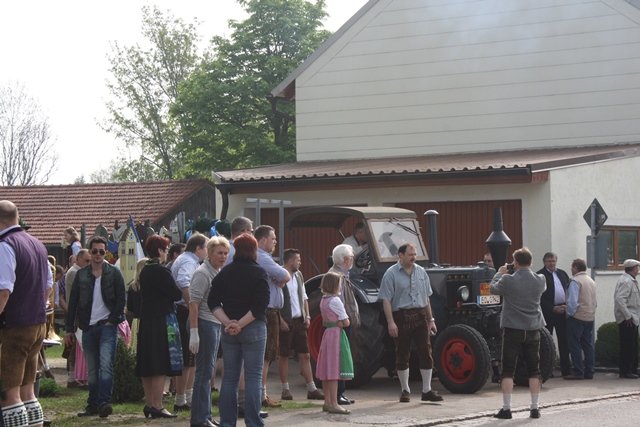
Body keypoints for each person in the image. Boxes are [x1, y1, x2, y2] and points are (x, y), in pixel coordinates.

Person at [208, 233, 270, 427]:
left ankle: (227, 422)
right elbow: (260, 306)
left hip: (229, 331)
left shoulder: (225, 272)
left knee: (229, 378)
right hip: (253, 327)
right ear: (254, 250)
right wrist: (240, 324)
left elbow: (212, 301)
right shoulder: (259, 273)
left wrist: (228, 323)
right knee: (253, 377)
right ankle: (253, 422)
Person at [0, 200, 51, 427]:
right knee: (28, 390)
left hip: (15, 325)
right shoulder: (38, 244)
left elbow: (3, 290)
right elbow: (48, 286)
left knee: (10, 394)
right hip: (37, 324)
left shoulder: (5, 245)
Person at [64, 235, 126, 418]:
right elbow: (73, 301)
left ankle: (104, 403)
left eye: (101, 251)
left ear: (105, 252)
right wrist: (69, 328)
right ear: (89, 253)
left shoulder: (114, 272)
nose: (98, 255)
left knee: (106, 365)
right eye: (94, 251)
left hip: (107, 324)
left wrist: (112, 320)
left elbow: (121, 298)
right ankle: (92, 404)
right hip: (88, 326)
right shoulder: (81, 274)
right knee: (92, 369)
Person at [378, 242, 444, 403]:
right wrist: (391, 322)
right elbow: (386, 300)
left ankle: (427, 390)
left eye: (415, 254)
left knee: (426, 352)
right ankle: (405, 390)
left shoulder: (421, 272)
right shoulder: (390, 274)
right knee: (402, 353)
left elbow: (426, 298)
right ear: (400, 255)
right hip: (401, 316)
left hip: (420, 315)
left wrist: (431, 320)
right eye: (410, 254)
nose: (414, 257)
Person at [490, 247, 546, 420]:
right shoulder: (541, 279)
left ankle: (507, 409)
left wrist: (499, 273)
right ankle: (535, 408)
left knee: (507, 369)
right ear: (530, 262)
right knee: (534, 370)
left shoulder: (507, 279)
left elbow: (493, 289)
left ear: (515, 262)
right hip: (533, 328)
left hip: (513, 328)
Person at [136, 235, 182, 419]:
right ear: (160, 250)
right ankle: (158, 404)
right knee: (160, 362)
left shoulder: (145, 270)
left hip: (147, 320)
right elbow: (176, 293)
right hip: (161, 320)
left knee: (147, 362)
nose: (167, 252)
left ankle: (149, 403)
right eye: (166, 248)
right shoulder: (161, 271)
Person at [189, 236, 230, 427]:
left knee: (208, 372)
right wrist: (194, 332)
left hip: (214, 323)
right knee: (204, 373)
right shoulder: (203, 273)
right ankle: (199, 418)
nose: (223, 256)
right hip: (204, 323)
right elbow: (194, 303)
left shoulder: (217, 271)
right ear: (210, 252)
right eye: (219, 253)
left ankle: (204, 415)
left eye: (225, 253)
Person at [277, 249, 324, 401]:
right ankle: (285, 389)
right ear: (290, 260)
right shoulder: (279, 275)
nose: (300, 262)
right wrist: (280, 320)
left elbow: (304, 297)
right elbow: (275, 300)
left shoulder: (299, 275)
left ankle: (311, 388)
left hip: (299, 320)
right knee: (284, 355)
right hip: (286, 320)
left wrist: (307, 315)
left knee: (305, 354)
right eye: (298, 259)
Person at [254, 225, 291, 408]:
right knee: (266, 355)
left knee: (267, 355)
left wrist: (281, 279)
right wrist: (281, 278)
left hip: (270, 311)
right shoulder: (262, 257)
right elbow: (285, 275)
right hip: (268, 311)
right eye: (273, 238)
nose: (275, 242)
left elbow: (283, 277)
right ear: (262, 240)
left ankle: (262, 393)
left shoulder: (263, 257)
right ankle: (262, 395)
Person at [171, 233, 209, 411]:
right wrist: (191, 305)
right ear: (198, 248)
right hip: (184, 310)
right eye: (206, 248)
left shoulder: (186, 259)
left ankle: (185, 396)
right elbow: (183, 282)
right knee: (188, 357)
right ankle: (182, 398)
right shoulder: (189, 261)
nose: (207, 252)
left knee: (188, 357)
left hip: (182, 309)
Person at [315, 272, 353, 415]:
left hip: (327, 333)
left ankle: (327, 401)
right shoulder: (336, 301)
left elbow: (325, 320)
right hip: (336, 335)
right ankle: (334, 403)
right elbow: (346, 321)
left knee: (327, 368)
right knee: (334, 368)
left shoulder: (323, 300)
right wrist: (341, 322)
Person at [327, 244, 358, 406]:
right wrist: (344, 320)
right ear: (345, 260)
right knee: (339, 359)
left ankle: (340, 393)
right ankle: (337, 395)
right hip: (340, 325)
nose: (352, 260)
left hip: (344, 322)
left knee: (343, 358)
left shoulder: (344, 275)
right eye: (351, 257)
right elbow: (336, 301)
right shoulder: (335, 276)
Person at [537, 251, 571, 377]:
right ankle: (547, 370)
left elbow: (568, 290)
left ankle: (566, 369)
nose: (552, 263)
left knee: (564, 341)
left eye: (553, 261)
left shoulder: (562, 274)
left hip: (562, 311)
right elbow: (539, 297)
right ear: (544, 262)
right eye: (549, 261)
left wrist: (567, 305)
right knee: (547, 343)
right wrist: (552, 308)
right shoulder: (540, 275)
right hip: (548, 313)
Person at [564, 258, 597, 380]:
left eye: (572, 267)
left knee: (575, 345)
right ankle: (590, 371)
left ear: (576, 268)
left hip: (577, 317)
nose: (571, 269)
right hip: (589, 316)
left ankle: (578, 371)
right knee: (588, 345)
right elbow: (594, 300)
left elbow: (572, 301)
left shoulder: (575, 281)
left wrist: (569, 313)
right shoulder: (591, 281)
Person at [614, 259, 640, 379]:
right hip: (627, 319)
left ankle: (633, 369)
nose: (638, 270)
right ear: (632, 268)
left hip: (633, 317)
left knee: (633, 345)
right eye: (636, 268)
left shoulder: (631, 280)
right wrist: (627, 316)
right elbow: (620, 299)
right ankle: (626, 371)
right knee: (627, 345)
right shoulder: (626, 281)